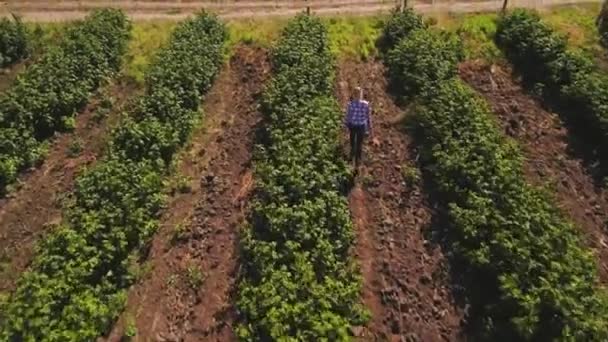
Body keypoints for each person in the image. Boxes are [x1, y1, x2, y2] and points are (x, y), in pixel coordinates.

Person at [344, 86, 374, 169]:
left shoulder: (350, 104)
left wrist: (345, 126)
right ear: (361, 94)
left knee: (353, 142)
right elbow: (368, 118)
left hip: (353, 126)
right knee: (359, 144)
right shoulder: (366, 104)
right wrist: (370, 129)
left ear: (353, 95)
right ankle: (358, 162)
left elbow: (348, 117)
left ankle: (351, 158)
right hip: (361, 126)